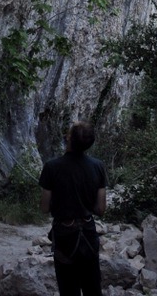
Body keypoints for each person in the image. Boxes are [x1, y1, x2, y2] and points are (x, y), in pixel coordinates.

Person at [39, 121, 107, 296]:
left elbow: (44, 208)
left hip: (64, 235)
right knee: (93, 289)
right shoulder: (98, 166)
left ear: (69, 138)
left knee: (69, 290)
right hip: (88, 233)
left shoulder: (51, 167)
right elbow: (100, 209)